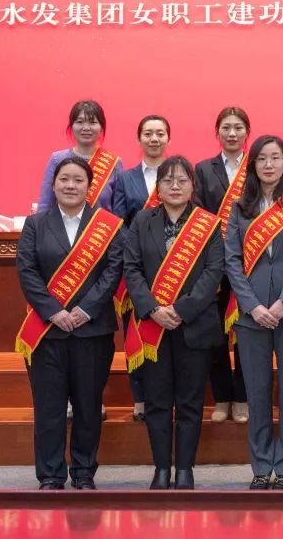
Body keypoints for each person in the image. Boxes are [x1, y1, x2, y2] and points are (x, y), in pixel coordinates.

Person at [15, 156, 123, 490]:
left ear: (90, 186)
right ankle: (50, 474)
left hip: (93, 330)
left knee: (88, 406)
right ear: (53, 184)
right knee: (49, 407)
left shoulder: (107, 225)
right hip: (47, 332)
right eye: (64, 179)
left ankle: (84, 472)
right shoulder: (35, 224)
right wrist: (54, 311)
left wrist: (86, 310)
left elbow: (113, 271)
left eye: (78, 180)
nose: (71, 185)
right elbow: (27, 271)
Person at [123, 156, 225, 490]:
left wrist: (180, 310)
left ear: (192, 186)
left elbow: (214, 272)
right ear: (158, 187)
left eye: (182, 180)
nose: (175, 186)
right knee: (156, 402)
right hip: (153, 328)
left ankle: (184, 470)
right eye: (168, 181)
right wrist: (153, 309)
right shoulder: (142, 221)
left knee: (190, 402)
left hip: (194, 326)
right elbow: (132, 269)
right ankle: (161, 469)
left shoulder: (208, 224)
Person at [225, 135, 283, 490]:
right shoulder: (240, 207)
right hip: (251, 314)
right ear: (253, 164)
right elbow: (232, 260)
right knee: (257, 392)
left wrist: (282, 303)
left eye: (275, 157)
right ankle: (262, 467)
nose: (269, 164)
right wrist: (252, 305)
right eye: (262, 158)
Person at [111, 114, 171, 423]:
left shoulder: (179, 174)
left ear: (168, 138)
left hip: (174, 267)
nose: (154, 138)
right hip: (135, 268)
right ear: (139, 138)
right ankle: (140, 398)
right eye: (148, 133)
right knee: (135, 330)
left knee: (169, 335)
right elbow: (119, 222)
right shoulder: (125, 178)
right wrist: (139, 252)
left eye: (160, 133)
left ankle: (168, 396)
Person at [195, 107, 251, 425]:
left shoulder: (256, 168)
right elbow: (199, 217)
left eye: (238, 127)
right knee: (215, 332)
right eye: (226, 127)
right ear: (217, 132)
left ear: (247, 132)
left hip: (249, 263)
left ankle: (242, 396)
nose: (232, 133)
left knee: (245, 332)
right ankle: (222, 396)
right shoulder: (203, 169)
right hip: (214, 264)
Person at [36, 100, 122, 214]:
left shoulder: (113, 164)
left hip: (99, 226)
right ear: (71, 126)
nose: (86, 128)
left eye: (92, 122)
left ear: (101, 127)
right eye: (80, 122)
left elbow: (118, 210)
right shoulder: (57, 159)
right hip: (62, 225)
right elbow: (45, 205)